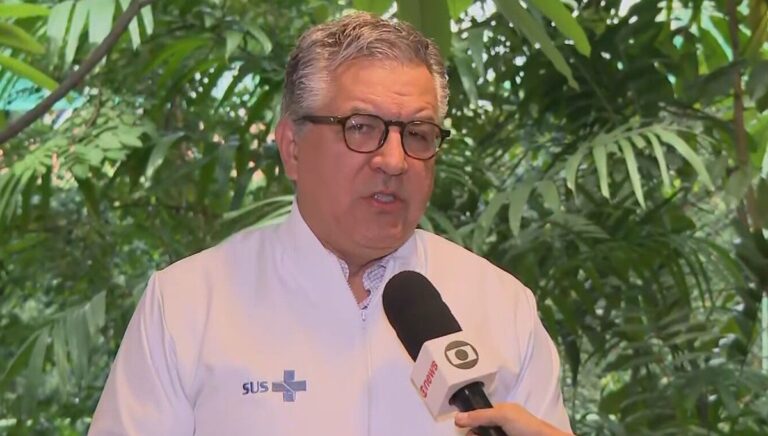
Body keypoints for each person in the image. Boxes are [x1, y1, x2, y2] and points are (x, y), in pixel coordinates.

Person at [89, 12, 573, 436]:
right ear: (292, 148)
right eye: (361, 127)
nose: (394, 160)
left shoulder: (502, 308)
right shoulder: (188, 305)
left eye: (418, 134)